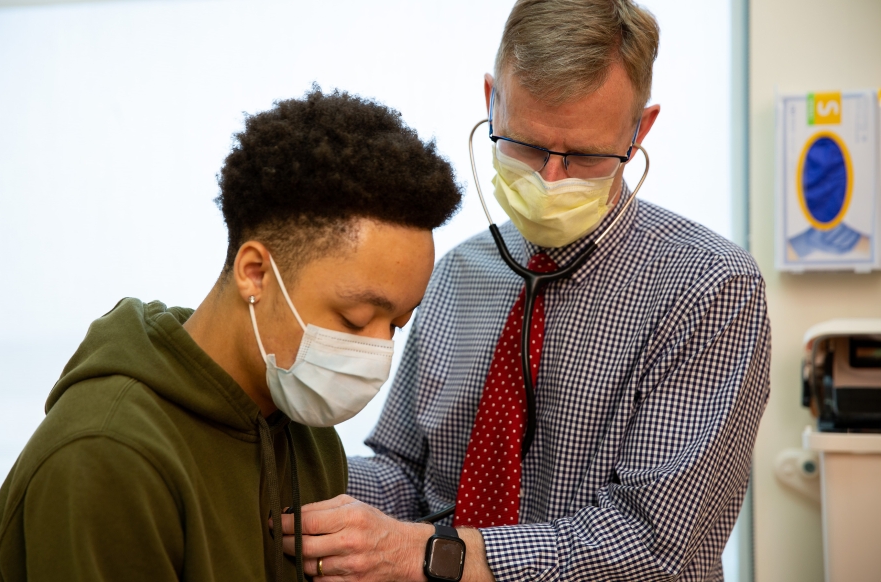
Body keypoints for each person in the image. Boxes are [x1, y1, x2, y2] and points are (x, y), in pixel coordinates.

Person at [277, 2, 771, 580]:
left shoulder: (711, 288)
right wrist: (283, 467)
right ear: (492, 100)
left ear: (640, 130)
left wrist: (431, 555)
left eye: (585, 155)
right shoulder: (457, 271)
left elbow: (650, 542)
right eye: (527, 145)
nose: (549, 179)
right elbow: (408, 474)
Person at [0, 87, 462, 582]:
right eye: (355, 319)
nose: (377, 351)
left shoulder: (307, 432)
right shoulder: (106, 458)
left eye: (398, 325)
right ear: (254, 273)